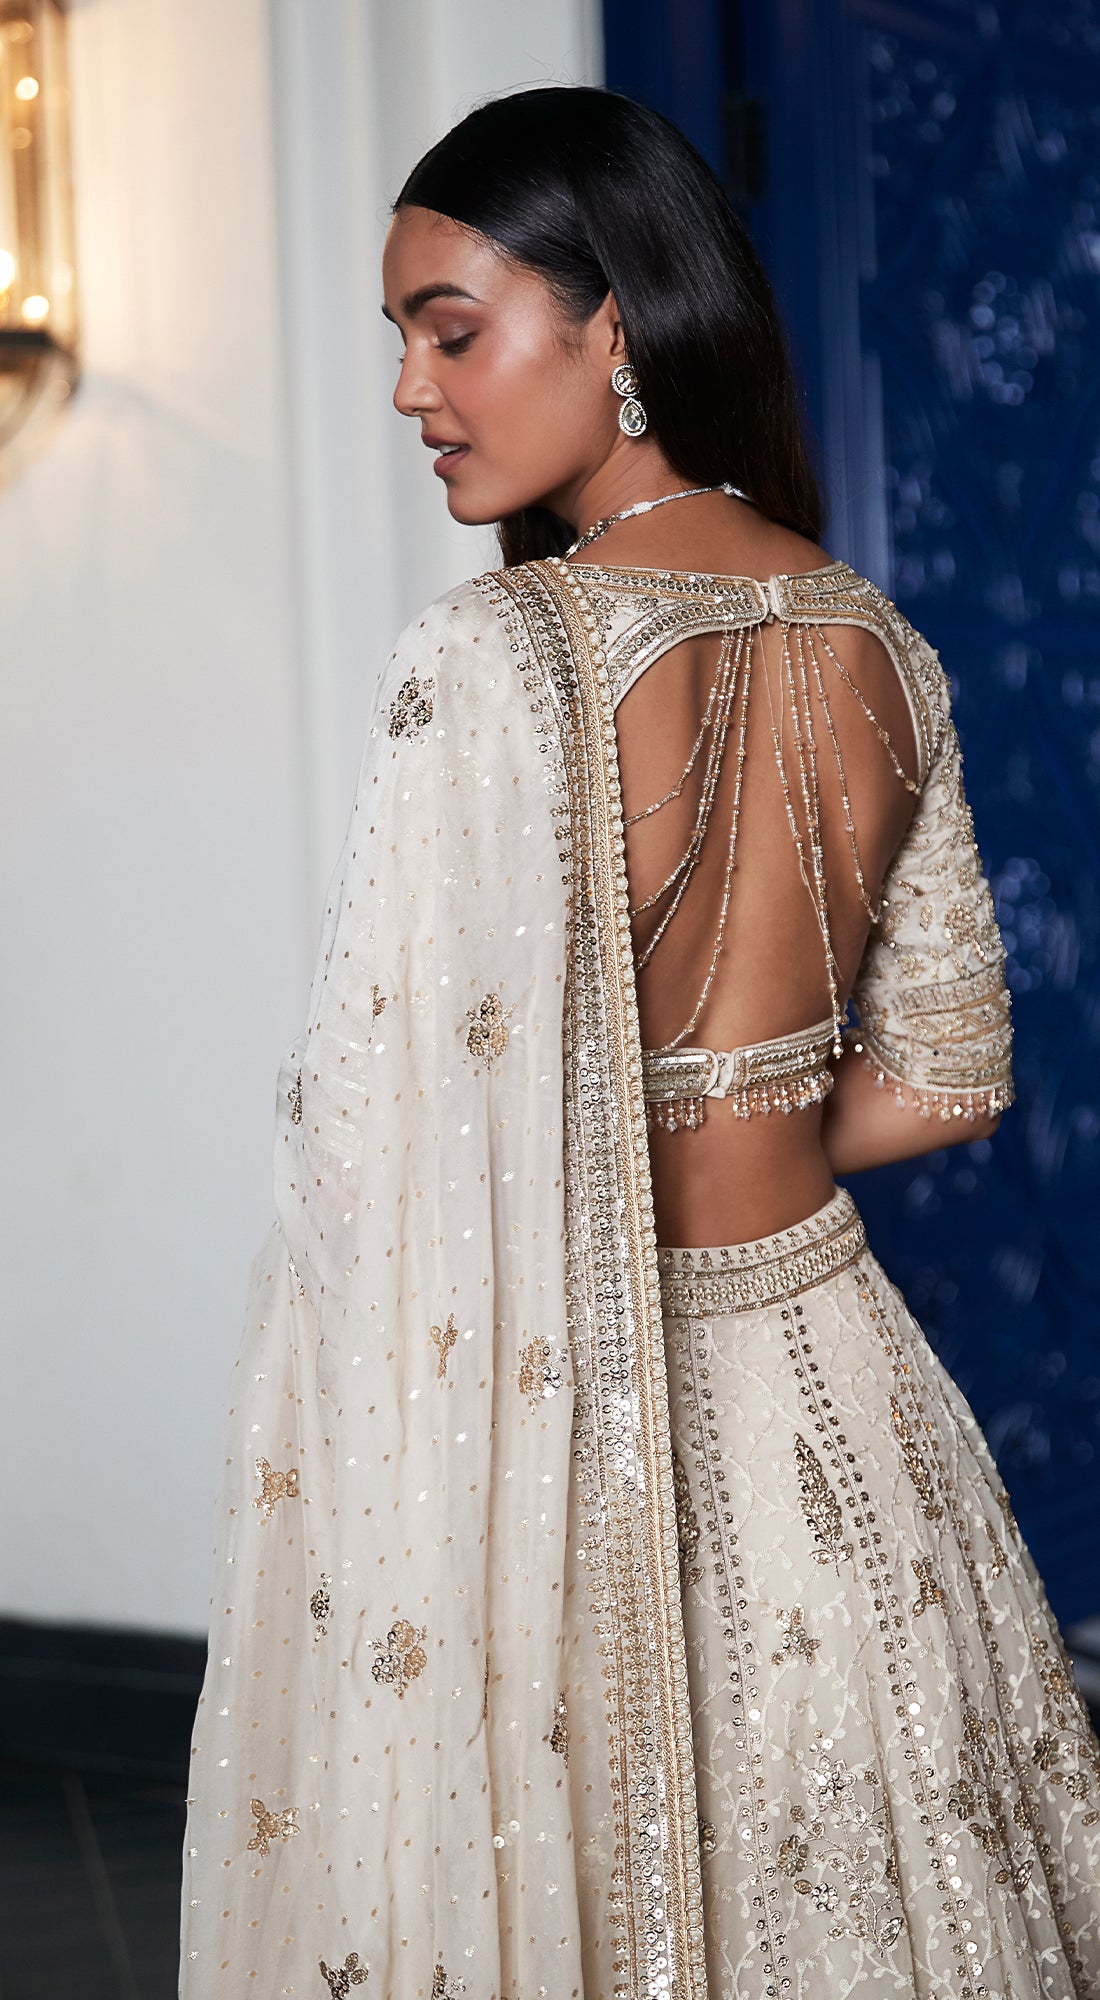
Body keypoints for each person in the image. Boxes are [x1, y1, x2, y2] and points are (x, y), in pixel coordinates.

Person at [179, 85, 1100, 2000]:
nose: (416, 390)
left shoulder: (495, 656)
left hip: (578, 1425)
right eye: (403, 341)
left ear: (614, 326)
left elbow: (369, 1144)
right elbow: (949, 1075)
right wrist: (748, 1130)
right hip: (838, 1386)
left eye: (454, 331)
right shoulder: (879, 642)